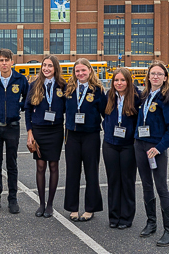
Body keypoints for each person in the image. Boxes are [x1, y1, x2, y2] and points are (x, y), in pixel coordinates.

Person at [134, 61, 169, 247]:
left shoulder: (168, 99)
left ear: (165, 77)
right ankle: (151, 222)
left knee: (161, 187)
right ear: (148, 76)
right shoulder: (144, 96)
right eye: (152, 74)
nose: (155, 77)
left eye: (159, 74)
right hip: (140, 145)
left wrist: (160, 147)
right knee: (146, 185)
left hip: (156, 148)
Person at [0, 49, 29, 214]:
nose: (4, 63)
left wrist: (18, 107)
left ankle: (13, 199)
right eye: (1, 60)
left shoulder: (20, 79)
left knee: (12, 164)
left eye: (7, 60)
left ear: (12, 62)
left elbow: (27, 99)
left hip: (13, 127)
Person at [64, 58, 107, 222]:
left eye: (83, 70)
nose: (80, 73)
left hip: (91, 135)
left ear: (90, 71)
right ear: (74, 73)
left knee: (91, 172)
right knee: (72, 172)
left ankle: (90, 208)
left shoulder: (98, 90)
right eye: (77, 71)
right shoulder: (68, 89)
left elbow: (105, 113)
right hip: (72, 135)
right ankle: (72, 208)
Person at [24, 55, 66, 218]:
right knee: (40, 167)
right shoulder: (34, 85)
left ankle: (50, 204)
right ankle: (41, 204)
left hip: (55, 131)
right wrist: (29, 133)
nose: (46, 68)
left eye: (50, 66)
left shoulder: (62, 85)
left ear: (55, 68)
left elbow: (68, 108)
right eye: (44, 65)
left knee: (53, 166)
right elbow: (27, 109)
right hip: (38, 130)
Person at [103, 68, 141, 229]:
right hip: (110, 144)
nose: (119, 83)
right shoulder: (109, 96)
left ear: (128, 81)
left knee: (127, 180)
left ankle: (126, 216)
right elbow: (103, 115)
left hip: (128, 146)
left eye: (122, 80)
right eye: (116, 80)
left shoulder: (137, 97)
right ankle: (114, 215)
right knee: (113, 180)